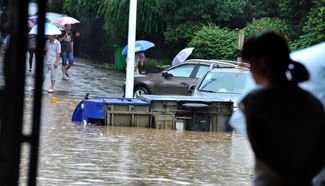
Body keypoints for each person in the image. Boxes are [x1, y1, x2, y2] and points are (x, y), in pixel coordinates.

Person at [239, 31, 325, 185]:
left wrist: (287, 178)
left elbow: (261, 153)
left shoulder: (255, 100)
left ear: (262, 62)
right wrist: (302, 178)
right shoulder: (313, 102)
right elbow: (321, 153)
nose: (250, 71)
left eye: (250, 64)